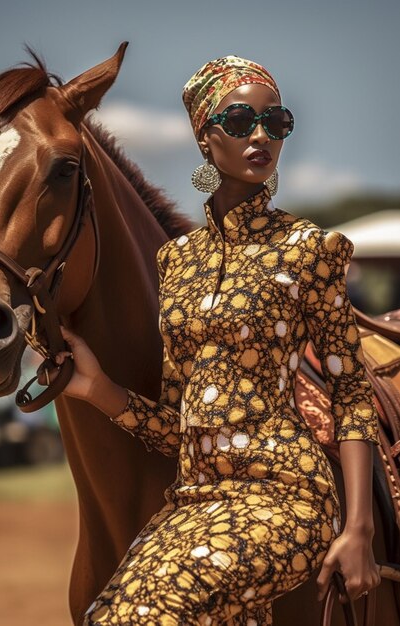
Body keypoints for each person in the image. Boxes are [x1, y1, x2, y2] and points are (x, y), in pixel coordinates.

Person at [51, 55, 382, 625]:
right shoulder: (176, 263)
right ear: (205, 137)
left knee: (151, 614)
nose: (261, 137)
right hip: (196, 505)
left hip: (287, 496)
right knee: (103, 615)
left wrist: (358, 529)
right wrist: (98, 388)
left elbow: (350, 391)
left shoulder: (311, 250)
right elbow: (181, 428)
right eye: (239, 122)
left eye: (276, 124)